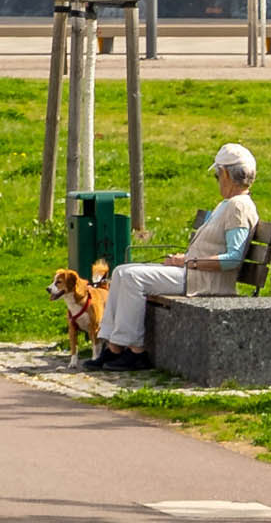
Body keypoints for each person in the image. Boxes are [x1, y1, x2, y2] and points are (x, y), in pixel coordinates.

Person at [92, 144, 258, 370]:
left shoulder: (238, 207)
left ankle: (135, 351)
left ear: (226, 174)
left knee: (133, 277)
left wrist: (190, 261)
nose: (218, 180)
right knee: (122, 271)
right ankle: (113, 347)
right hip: (193, 272)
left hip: (203, 280)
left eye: (217, 175)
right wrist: (186, 258)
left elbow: (233, 259)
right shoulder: (228, 204)